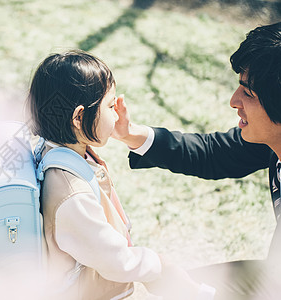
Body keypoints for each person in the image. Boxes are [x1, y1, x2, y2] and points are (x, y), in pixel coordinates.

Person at [27, 50, 215, 300]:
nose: (116, 114)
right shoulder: (71, 193)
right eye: (110, 105)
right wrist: (158, 264)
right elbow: (114, 260)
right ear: (79, 117)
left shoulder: (62, 151)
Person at [112, 22, 281, 299]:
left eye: (248, 93)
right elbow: (213, 153)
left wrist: (195, 293)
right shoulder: (273, 140)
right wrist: (131, 134)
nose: (233, 100)